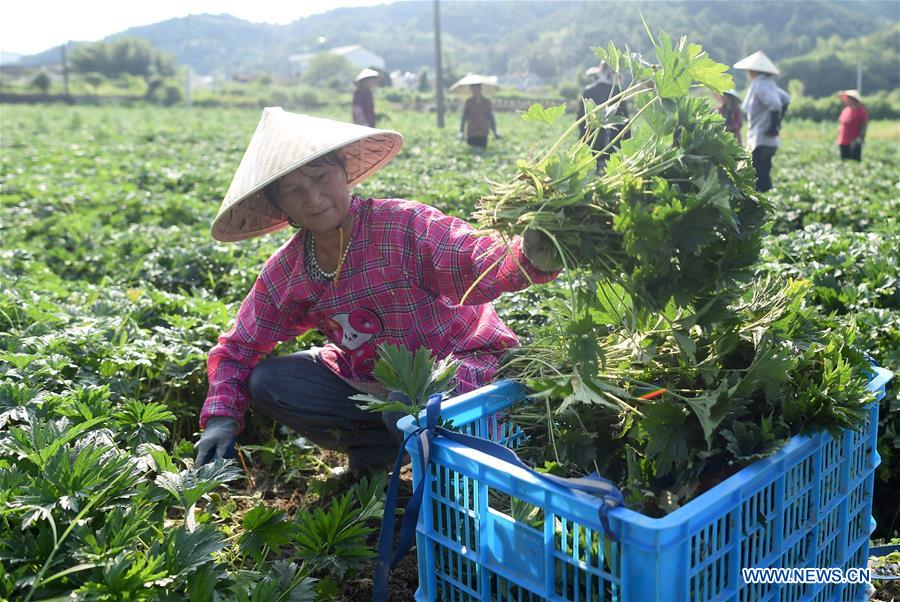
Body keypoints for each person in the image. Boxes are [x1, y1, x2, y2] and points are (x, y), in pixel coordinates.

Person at [194, 107, 560, 474]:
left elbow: (474, 261)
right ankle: (377, 451)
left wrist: (529, 255)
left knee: (409, 402)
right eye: (293, 190)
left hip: (459, 369)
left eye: (322, 177)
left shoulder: (402, 226)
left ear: (345, 173)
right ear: (280, 207)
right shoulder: (288, 271)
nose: (314, 198)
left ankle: (445, 478)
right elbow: (239, 346)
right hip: (372, 383)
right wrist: (221, 418)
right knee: (271, 381)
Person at [733, 51, 790, 193]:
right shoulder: (768, 84)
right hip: (766, 138)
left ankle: (766, 203)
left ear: (754, 71)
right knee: (763, 171)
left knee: (760, 175)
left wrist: (773, 126)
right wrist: (777, 123)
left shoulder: (761, 85)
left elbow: (776, 104)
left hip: (762, 136)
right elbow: (785, 99)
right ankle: (767, 200)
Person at [577, 63, 629, 170]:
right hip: (612, 146)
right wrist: (627, 142)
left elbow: (580, 119)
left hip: (590, 146)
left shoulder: (588, 92)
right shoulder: (617, 92)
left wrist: (582, 142)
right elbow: (625, 120)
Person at [452, 74, 501, 148]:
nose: (474, 91)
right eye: (472, 89)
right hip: (471, 131)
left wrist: (495, 131)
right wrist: (461, 131)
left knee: (482, 151)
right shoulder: (469, 102)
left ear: (480, 89)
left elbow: (490, 117)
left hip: (483, 131)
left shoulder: (486, 102)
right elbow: (464, 117)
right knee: (472, 152)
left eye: (476, 89)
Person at [836, 89, 868, 162]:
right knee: (844, 161)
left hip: (855, 141)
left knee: (854, 162)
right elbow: (841, 123)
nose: (846, 100)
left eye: (848, 98)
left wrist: (859, 138)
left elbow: (864, 126)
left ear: (853, 100)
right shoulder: (845, 110)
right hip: (843, 140)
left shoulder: (861, 111)